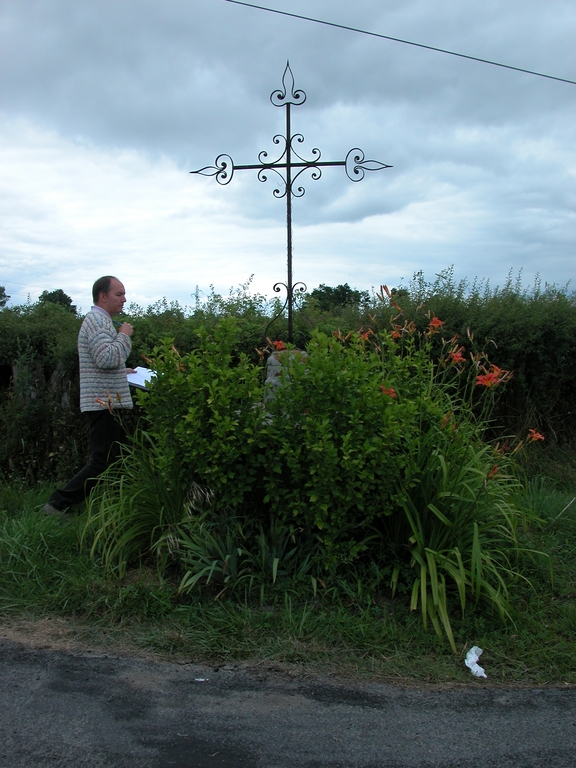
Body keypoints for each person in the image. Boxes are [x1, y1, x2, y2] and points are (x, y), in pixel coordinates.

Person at [44, 276, 134, 515]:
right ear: (102, 296)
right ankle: (57, 504)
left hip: (107, 402)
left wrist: (121, 370)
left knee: (112, 460)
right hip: (103, 404)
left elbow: (104, 360)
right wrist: (125, 335)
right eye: (119, 294)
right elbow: (106, 358)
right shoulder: (97, 321)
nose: (124, 299)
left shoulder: (101, 321)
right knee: (102, 462)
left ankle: (106, 509)